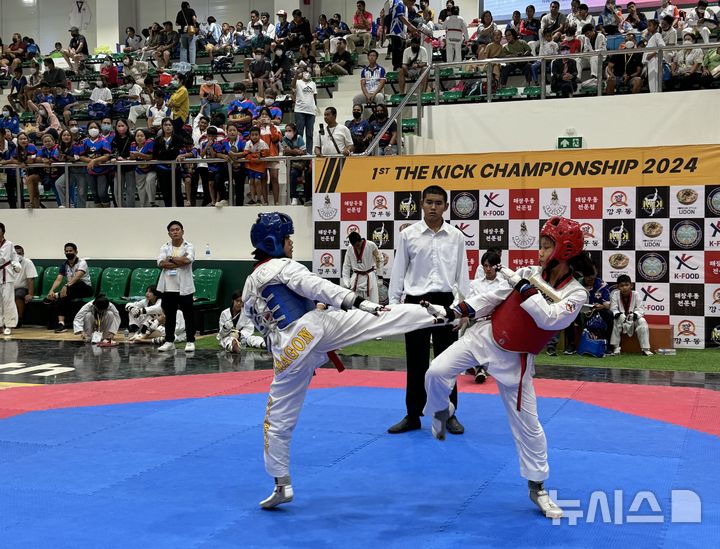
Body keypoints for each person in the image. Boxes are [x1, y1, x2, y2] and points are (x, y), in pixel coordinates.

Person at [242, 212, 452, 509]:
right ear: (273, 242)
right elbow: (315, 285)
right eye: (288, 239)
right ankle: (443, 313)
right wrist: (355, 301)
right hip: (311, 328)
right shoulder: (282, 266)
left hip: (287, 353)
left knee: (276, 419)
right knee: (380, 319)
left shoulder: (251, 282)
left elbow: (258, 325)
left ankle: (281, 483)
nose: (291, 244)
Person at [423, 216, 591, 520]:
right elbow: (491, 298)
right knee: (435, 372)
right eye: (540, 245)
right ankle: (440, 410)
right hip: (484, 338)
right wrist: (452, 311)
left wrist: (524, 288)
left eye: (545, 246)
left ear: (563, 251)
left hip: (517, 361)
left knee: (530, 427)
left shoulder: (576, 294)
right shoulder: (526, 274)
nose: (539, 252)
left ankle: (537, 487)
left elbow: (550, 319)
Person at [387, 185, 470, 435]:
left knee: (448, 362)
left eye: (438, 203)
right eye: (429, 202)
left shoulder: (456, 237)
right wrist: (393, 305)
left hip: (445, 302)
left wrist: (464, 309)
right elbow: (399, 271)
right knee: (416, 362)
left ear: (446, 206)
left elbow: (462, 276)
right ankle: (413, 415)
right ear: (421, 204)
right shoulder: (408, 235)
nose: (433, 207)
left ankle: (448, 413)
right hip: (415, 302)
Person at [466, 250, 506, 382]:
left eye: (491, 266)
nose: (488, 269)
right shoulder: (475, 284)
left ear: (497, 266)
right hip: (477, 321)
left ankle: (479, 367)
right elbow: (469, 303)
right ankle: (480, 368)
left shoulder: (504, 285)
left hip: (496, 322)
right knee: (475, 333)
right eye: (485, 266)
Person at [156, 221, 196, 352]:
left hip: (185, 288)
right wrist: (179, 260)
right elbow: (161, 263)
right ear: (169, 233)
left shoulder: (189, 246)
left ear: (182, 231)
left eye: (177, 229)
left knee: (188, 315)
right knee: (170, 316)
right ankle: (169, 341)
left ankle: (190, 341)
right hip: (168, 287)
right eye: (172, 230)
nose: (175, 232)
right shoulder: (164, 247)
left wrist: (171, 259)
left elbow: (187, 260)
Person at [46, 242, 94, 333]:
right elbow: (58, 279)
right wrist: (51, 291)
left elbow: (77, 277)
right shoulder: (64, 264)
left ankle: (57, 295)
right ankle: (61, 324)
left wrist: (66, 285)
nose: (68, 253)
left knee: (75, 285)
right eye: (66, 251)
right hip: (70, 290)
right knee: (62, 298)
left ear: (76, 252)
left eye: (70, 251)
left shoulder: (82, 262)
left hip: (85, 288)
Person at [609, 274, 652, 356]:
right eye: (621, 286)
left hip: (633, 318)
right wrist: (617, 314)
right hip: (621, 319)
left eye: (626, 285)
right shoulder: (615, 294)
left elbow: (641, 309)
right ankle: (616, 347)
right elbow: (613, 308)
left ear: (631, 285)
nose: (624, 287)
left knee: (642, 321)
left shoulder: (636, 294)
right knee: (616, 320)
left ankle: (645, 349)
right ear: (618, 287)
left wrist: (635, 314)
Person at [342, 231, 383, 303]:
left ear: (360, 240)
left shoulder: (371, 245)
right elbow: (346, 265)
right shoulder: (350, 248)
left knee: (373, 303)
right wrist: (346, 281)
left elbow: (379, 260)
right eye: (354, 246)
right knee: (356, 304)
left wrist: (380, 276)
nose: (356, 247)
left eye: (357, 245)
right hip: (356, 279)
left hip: (370, 277)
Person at [0, 223, 21, 336]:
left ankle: (9, 325)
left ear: (3, 232)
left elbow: (14, 258)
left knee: (8, 300)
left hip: (6, 273)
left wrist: (16, 265)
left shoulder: (9, 244)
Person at [292, 69, 317, 156]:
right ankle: (299, 150)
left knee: (310, 133)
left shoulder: (313, 84)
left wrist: (315, 108)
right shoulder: (298, 82)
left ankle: (309, 152)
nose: (307, 74)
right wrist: (296, 74)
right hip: (300, 110)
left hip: (311, 111)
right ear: (302, 73)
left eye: (309, 72)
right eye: (306, 72)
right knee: (299, 132)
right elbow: (292, 85)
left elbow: (314, 96)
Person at [11, 244, 36, 327]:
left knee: (18, 295)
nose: (18, 255)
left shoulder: (27, 262)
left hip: (22, 288)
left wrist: (30, 294)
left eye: (20, 253)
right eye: (16, 253)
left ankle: (19, 318)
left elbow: (31, 279)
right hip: (9, 288)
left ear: (23, 254)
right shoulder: (8, 263)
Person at [643, 19, 667, 93]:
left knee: (654, 82)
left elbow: (662, 46)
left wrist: (652, 54)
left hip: (654, 61)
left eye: (650, 26)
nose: (648, 28)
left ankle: (657, 98)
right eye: (647, 26)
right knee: (652, 83)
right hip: (650, 62)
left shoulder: (657, 35)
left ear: (656, 26)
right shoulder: (651, 37)